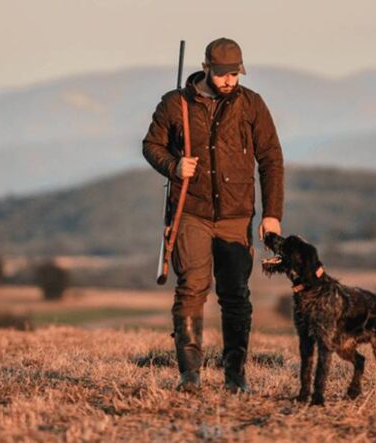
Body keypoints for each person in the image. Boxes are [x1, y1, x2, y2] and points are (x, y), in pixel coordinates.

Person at [142, 37, 284, 394]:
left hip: (237, 214)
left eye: (235, 74)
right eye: (222, 74)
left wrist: (273, 214)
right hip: (191, 211)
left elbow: (271, 160)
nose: (229, 81)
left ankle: (236, 379)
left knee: (236, 294)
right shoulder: (175, 104)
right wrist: (174, 166)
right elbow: (151, 145)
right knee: (191, 288)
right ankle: (189, 376)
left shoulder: (252, 104)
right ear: (206, 68)